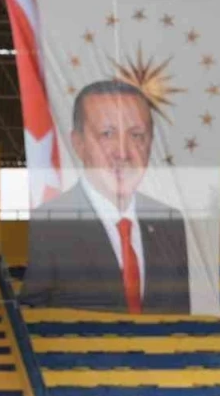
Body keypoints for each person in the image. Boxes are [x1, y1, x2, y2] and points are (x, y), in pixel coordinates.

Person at [22, 79, 191, 314]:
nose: (122, 153)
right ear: (78, 144)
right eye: (107, 134)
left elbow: (181, 313)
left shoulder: (169, 222)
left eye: (136, 135)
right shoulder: (53, 222)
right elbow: (34, 313)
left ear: (150, 143)